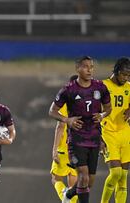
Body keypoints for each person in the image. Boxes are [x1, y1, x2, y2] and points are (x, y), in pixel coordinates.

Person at [49, 56, 112, 203]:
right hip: (76, 141)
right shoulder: (68, 90)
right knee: (82, 176)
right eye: (85, 67)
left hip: (94, 139)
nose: (89, 70)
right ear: (78, 69)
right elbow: (52, 111)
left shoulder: (100, 87)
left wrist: (102, 115)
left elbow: (108, 108)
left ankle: (69, 195)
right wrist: (67, 120)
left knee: (89, 180)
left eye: (91, 67)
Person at [100, 57, 130, 203]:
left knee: (124, 176)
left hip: (125, 134)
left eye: (129, 75)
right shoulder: (102, 86)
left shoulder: (128, 88)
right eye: (124, 74)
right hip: (108, 133)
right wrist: (98, 137)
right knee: (116, 173)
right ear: (117, 71)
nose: (126, 78)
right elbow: (92, 112)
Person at [50, 75, 78, 203]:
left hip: (64, 149)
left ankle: (64, 196)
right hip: (79, 150)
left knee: (55, 179)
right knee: (74, 186)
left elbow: (60, 126)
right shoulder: (87, 103)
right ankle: (69, 198)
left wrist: (54, 149)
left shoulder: (65, 102)